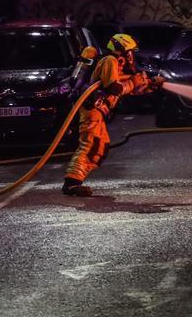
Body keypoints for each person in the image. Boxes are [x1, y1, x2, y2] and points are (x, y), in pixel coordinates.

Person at [63, 33, 163, 197]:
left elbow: (128, 87)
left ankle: (75, 180)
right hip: (92, 110)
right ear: (122, 49)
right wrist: (133, 83)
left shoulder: (117, 65)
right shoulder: (110, 61)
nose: (132, 56)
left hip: (98, 111)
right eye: (130, 51)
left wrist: (152, 84)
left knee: (100, 145)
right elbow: (114, 88)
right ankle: (72, 183)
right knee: (90, 144)